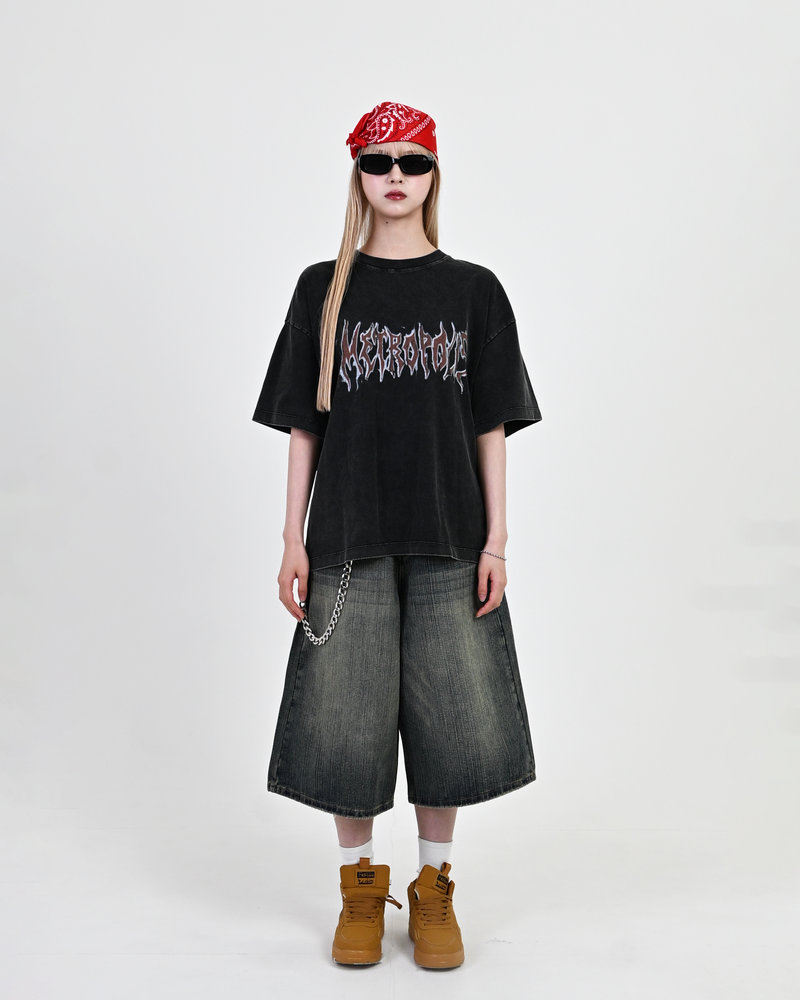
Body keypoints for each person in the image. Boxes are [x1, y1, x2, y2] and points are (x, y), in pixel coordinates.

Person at [251, 100, 543, 969]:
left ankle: (434, 888)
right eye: (379, 162)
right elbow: (304, 423)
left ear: (433, 176)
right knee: (346, 717)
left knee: (451, 717)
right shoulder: (322, 289)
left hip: (452, 537)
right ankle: (358, 888)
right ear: (358, 174)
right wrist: (292, 536)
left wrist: (497, 541)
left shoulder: (474, 290)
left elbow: (491, 424)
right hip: (346, 536)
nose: (395, 177)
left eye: (413, 162)